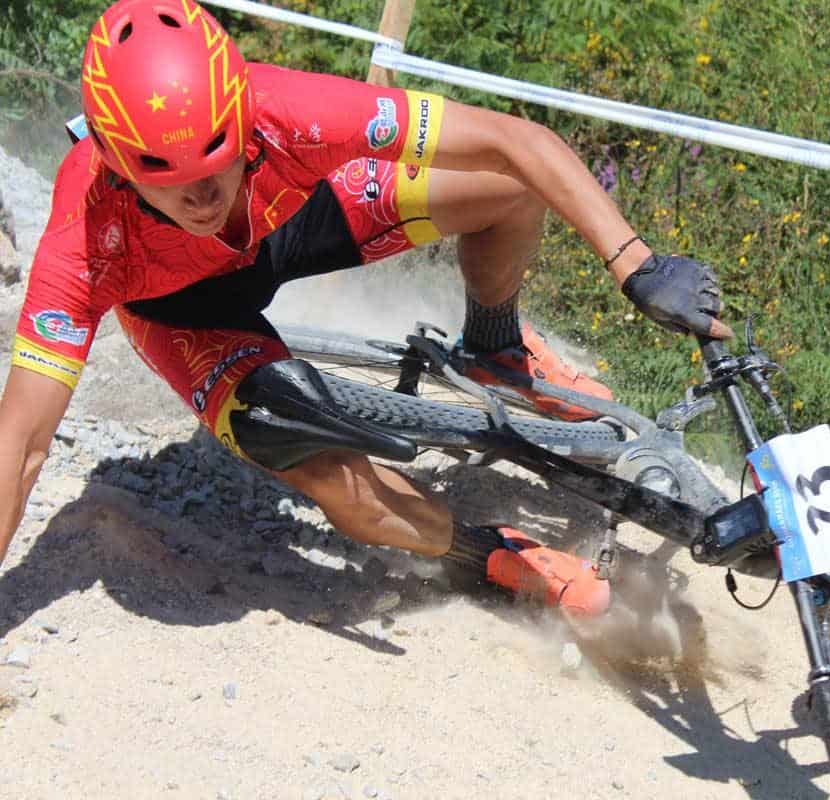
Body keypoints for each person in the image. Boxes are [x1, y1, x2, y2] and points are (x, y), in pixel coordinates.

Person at [0, 0, 730, 616]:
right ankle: (486, 553)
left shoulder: (290, 111)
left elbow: (517, 142)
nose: (203, 198)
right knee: (328, 473)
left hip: (293, 219)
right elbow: (23, 444)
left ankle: (495, 344)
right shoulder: (83, 240)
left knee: (506, 187)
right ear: (114, 165)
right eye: (171, 184)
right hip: (183, 309)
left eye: (219, 162)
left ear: (243, 114)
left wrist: (637, 264)